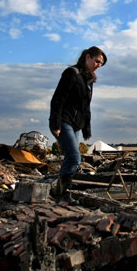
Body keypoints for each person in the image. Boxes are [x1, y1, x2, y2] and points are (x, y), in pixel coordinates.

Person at [49, 46, 106, 202]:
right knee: (74, 157)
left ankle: (59, 193)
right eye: (97, 61)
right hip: (63, 120)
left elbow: (86, 107)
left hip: (76, 124)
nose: (98, 66)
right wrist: (55, 123)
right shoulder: (72, 73)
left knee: (72, 158)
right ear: (87, 57)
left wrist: (86, 129)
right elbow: (58, 98)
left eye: (101, 64)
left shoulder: (88, 81)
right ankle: (62, 194)